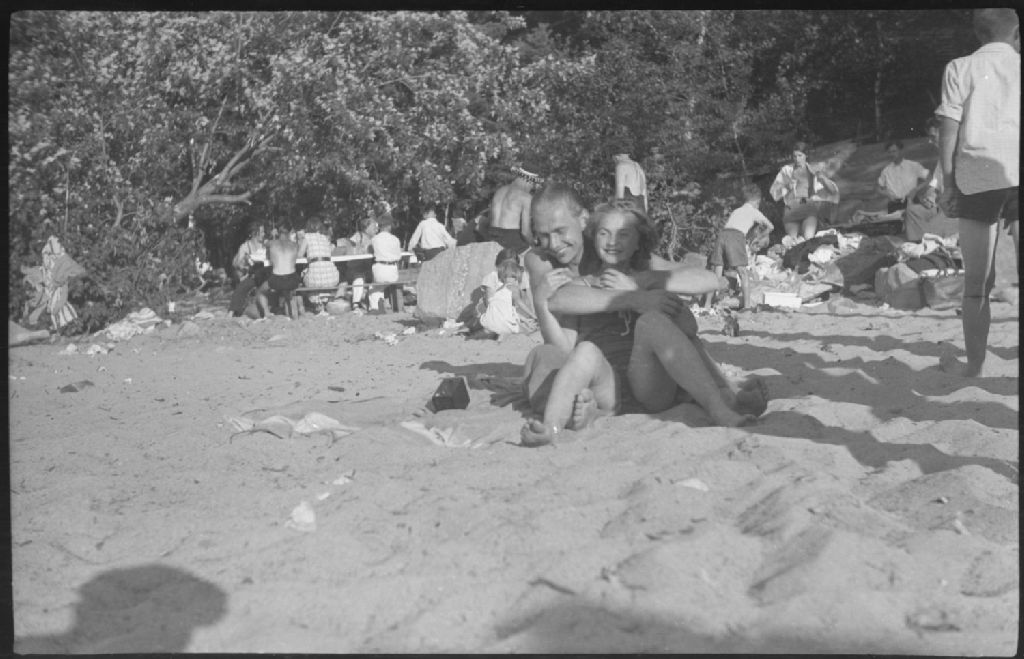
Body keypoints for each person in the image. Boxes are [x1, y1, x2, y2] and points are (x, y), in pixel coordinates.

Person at [521, 189, 767, 445]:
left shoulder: (645, 276)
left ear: (638, 241)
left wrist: (641, 289)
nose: (612, 242)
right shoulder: (575, 279)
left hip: (647, 383)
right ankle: (551, 427)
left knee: (654, 322)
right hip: (607, 384)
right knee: (584, 351)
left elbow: (689, 326)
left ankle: (720, 405)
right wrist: (630, 299)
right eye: (604, 233)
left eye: (623, 234)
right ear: (594, 236)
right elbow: (560, 306)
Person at [936, 8, 1020, 378]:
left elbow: (948, 131)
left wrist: (948, 182)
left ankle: (975, 366)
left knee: (976, 284)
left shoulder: (960, 67)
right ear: (1016, 33)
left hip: (978, 176)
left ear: (978, 34)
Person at [706, 183, 773, 309]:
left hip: (722, 235)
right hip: (736, 236)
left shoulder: (736, 210)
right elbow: (770, 226)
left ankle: (708, 304)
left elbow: (732, 226)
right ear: (756, 202)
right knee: (743, 273)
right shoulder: (754, 211)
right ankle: (747, 307)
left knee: (716, 273)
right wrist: (759, 238)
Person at [769, 142, 839, 241]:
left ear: (806, 155)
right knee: (792, 242)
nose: (797, 159)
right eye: (794, 156)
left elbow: (833, 191)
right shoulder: (786, 171)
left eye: (800, 155)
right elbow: (774, 193)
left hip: (808, 207)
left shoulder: (813, 171)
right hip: (791, 209)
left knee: (808, 239)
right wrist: (786, 187)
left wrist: (823, 179)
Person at [489, 164, 539, 253]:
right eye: (533, 184)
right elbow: (525, 232)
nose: (532, 187)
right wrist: (534, 245)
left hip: (492, 236)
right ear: (530, 180)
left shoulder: (499, 191)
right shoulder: (526, 197)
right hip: (511, 239)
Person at [256, 226, 300, 318]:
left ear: (278, 233)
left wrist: (272, 236)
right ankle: (292, 314)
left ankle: (267, 313)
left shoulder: (271, 243)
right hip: (292, 279)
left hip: (276, 279)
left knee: (260, 292)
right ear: (289, 233)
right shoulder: (295, 245)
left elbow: (265, 247)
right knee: (289, 291)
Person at [228, 218, 268, 317]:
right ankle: (231, 312)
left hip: (266, 273)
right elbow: (237, 263)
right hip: (254, 274)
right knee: (241, 287)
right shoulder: (245, 246)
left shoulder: (266, 244)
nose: (264, 234)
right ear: (255, 233)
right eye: (262, 232)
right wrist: (245, 266)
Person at [876, 140, 929, 214]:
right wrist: (887, 194)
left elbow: (929, 178)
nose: (891, 154)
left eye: (894, 151)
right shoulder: (886, 171)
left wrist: (916, 189)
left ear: (901, 151)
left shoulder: (913, 166)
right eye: (889, 152)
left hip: (911, 202)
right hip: (894, 205)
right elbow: (878, 188)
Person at [368, 213, 403, 312]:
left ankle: (375, 308)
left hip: (380, 270)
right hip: (393, 271)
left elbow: (371, 251)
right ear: (389, 226)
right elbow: (399, 256)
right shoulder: (395, 239)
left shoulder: (374, 239)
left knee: (373, 287)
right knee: (381, 285)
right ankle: (383, 303)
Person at [297, 215, 340, 289]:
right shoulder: (324, 238)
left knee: (302, 276)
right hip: (332, 278)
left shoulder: (307, 237)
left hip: (314, 280)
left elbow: (299, 255)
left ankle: (305, 296)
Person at [346, 216, 378, 309]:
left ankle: (375, 303)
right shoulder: (357, 236)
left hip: (369, 268)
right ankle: (356, 303)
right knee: (359, 277)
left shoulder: (376, 238)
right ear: (366, 228)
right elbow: (350, 251)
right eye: (373, 227)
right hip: (356, 268)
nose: (376, 230)